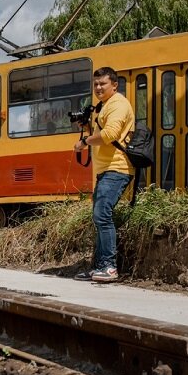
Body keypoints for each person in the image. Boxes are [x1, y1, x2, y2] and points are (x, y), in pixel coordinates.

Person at [72, 66, 134, 283]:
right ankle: (99, 266)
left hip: (116, 168)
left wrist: (84, 142)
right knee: (99, 217)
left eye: (103, 84)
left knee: (102, 215)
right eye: (96, 84)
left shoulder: (118, 104)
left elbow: (110, 135)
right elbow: (102, 132)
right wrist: (87, 127)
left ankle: (109, 267)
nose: (98, 88)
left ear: (114, 85)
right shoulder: (104, 106)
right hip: (105, 170)